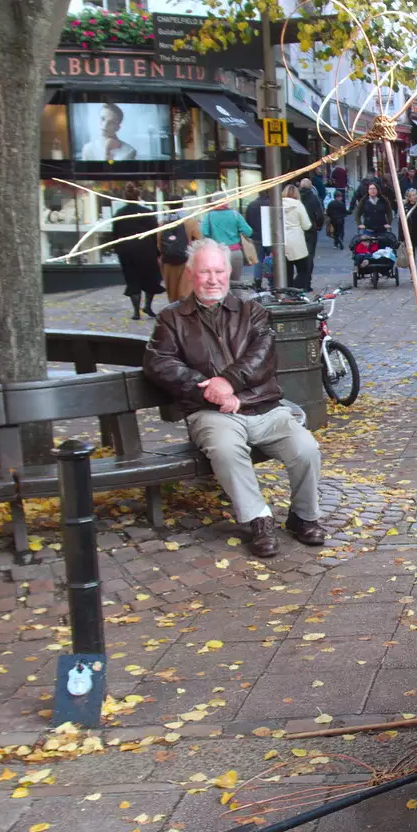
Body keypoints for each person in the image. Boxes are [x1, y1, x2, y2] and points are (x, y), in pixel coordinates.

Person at [144, 239, 325, 558]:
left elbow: (262, 357)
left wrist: (228, 384)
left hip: (265, 408)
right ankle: (258, 519)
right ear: (190, 274)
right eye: (204, 272)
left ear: (229, 272)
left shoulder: (251, 310)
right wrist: (210, 390)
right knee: (226, 450)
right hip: (209, 413)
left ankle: (303, 516)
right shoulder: (171, 318)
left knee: (306, 449)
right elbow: (159, 363)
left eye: (218, 270)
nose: (212, 279)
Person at [110, 183, 162, 320]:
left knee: (132, 279)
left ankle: (136, 312)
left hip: (126, 250)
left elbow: (115, 235)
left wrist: (118, 249)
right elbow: (155, 232)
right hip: (146, 249)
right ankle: (148, 306)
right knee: (150, 278)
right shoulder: (146, 212)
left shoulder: (119, 214)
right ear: (138, 196)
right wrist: (157, 251)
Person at [199, 198, 254, 288]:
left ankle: (222, 301)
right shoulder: (235, 215)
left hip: (217, 254)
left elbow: (203, 233)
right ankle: (235, 300)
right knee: (236, 284)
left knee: (219, 283)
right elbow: (248, 232)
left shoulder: (208, 216)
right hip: (235, 253)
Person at [159, 204, 203, 302]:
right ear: (182, 205)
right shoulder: (191, 222)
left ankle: (174, 312)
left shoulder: (162, 223)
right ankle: (185, 312)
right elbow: (199, 241)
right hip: (186, 261)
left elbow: (159, 244)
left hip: (168, 262)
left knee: (172, 292)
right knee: (185, 291)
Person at [280, 191, 315, 290]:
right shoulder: (298, 205)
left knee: (287, 271)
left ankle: (287, 291)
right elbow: (307, 225)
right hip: (296, 241)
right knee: (304, 269)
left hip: (281, 241)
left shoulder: (277, 204)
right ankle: (295, 289)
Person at [298, 178, 324, 266]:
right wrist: (319, 226)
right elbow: (320, 214)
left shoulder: (296, 198)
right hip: (311, 229)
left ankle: (301, 271)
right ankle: (307, 273)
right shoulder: (314, 198)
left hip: (298, 229)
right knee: (310, 252)